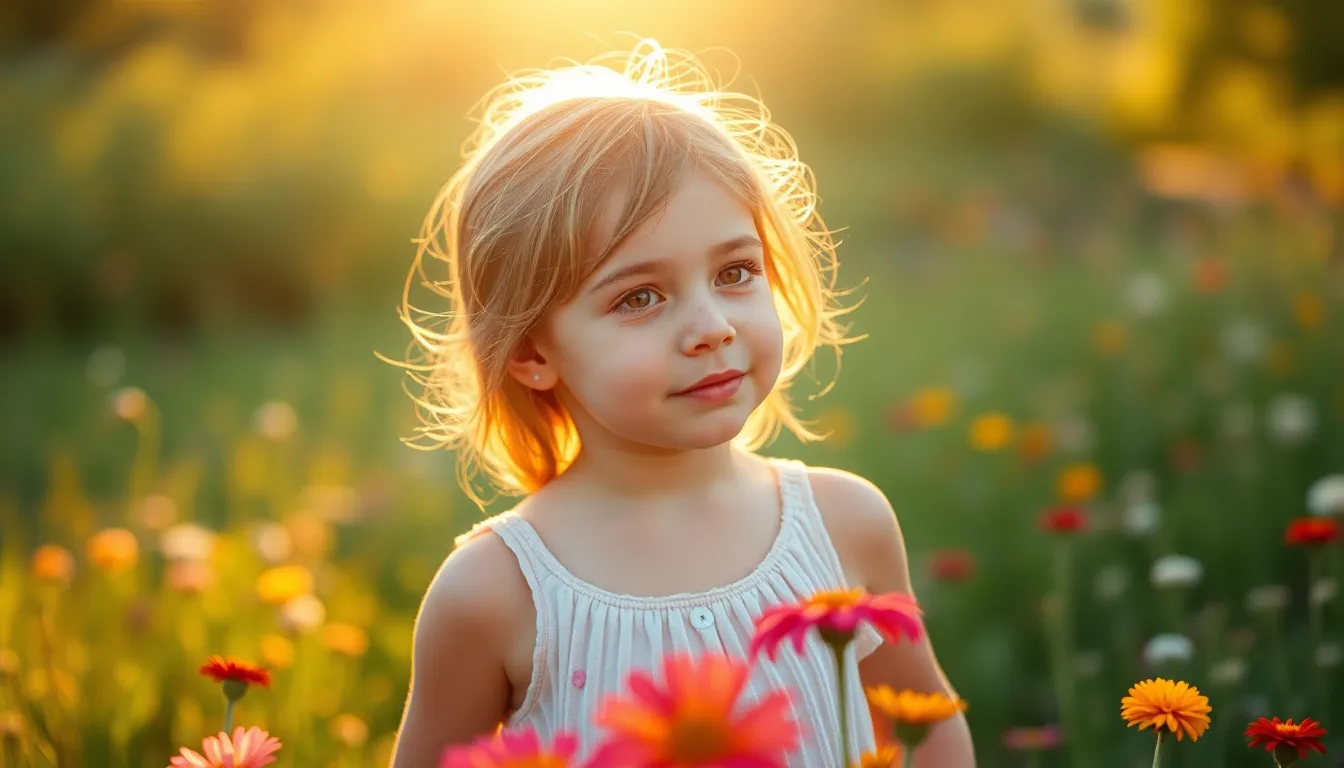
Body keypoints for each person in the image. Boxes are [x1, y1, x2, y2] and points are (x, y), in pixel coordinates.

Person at [387, 38, 974, 767]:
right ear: (533, 353)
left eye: (735, 272)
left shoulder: (845, 526)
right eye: (640, 297)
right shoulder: (492, 595)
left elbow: (928, 725)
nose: (712, 327)